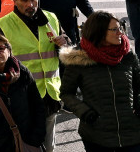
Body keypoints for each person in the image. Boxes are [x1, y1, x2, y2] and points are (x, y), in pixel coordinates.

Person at [0, 0, 67, 152]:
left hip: (49, 93)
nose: (30, 4)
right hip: (22, 95)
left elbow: (65, 46)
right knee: (26, 143)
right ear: (15, 0)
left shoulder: (51, 18)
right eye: (24, 0)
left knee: (49, 145)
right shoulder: (2, 25)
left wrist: (64, 43)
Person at [60, 11, 140, 152]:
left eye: (121, 27)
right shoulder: (79, 59)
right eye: (115, 29)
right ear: (99, 32)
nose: (120, 33)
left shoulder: (127, 55)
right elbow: (67, 93)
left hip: (132, 133)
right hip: (97, 136)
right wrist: (85, 113)